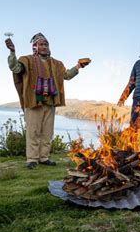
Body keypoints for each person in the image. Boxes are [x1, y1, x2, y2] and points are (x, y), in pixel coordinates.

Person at [5, 33, 91, 169]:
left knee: (47, 132)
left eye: (46, 44)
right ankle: (32, 159)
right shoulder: (26, 60)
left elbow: (67, 75)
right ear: (35, 46)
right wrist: (12, 52)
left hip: (50, 101)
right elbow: (15, 67)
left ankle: (43, 157)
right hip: (33, 101)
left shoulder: (56, 64)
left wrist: (78, 66)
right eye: (41, 44)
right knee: (33, 131)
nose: (44, 47)